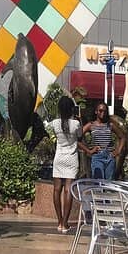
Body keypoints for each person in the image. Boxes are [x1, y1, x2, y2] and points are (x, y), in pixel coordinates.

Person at [48, 95, 81, 233]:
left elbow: (49, 131)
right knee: (68, 189)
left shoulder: (54, 123)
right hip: (71, 158)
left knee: (57, 189)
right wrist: (80, 119)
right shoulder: (75, 124)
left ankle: (59, 221)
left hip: (59, 157)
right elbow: (79, 136)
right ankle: (65, 223)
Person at [81, 102, 122, 180]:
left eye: (105, 111)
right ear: (96, 111)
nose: (103, 113)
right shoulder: (91, 125)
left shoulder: (110, 125)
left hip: (109, 156)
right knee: (98, 183)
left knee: (108, 184)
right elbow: (77, 137)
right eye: (100, 111)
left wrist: (118, 150)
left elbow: (122, 137)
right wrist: (89, 150)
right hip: (97, 156)